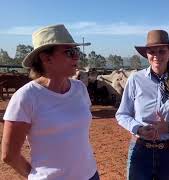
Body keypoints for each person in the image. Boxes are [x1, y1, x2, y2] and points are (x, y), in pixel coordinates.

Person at [1, 24, 99, 180]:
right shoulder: (26, 97)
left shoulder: (80, 89)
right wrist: (37, 176)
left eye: (76, 51)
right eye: (69, 52)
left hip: (90, 175)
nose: (77, 57)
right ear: (46, 58)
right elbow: (9, 156)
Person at [115, 30, 169, 180]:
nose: (156, 56)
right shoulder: (135, 80)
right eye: (151, 51)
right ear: (146, 54)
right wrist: (139, 129)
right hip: (140, 151)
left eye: (161, 51)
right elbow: (122, 114)